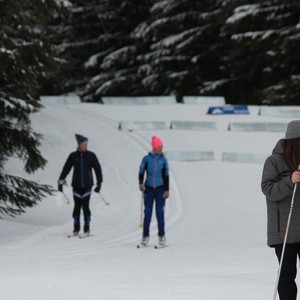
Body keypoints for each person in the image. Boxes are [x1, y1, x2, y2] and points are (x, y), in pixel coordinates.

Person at [261, 120, 300, 300]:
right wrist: (290, 181)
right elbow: (268, 190)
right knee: (286, 274)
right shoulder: (274, 161)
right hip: (284, 230)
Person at [58, 134, 103, 235]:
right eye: (84, 145)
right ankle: (76, 229)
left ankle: (87, 229)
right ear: (79, 145)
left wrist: (99, 183)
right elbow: (66, 168)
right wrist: (61, 181)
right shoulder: (73, 156)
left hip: (87, 186)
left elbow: (98, 169)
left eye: (86, 144)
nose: (86, 147)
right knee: (77, 207)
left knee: (86, 206)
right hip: (76, 185)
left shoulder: (91, 156)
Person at [139, 136, 169, 246]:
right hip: (149, 188)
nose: (161, 148)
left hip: (160, 188)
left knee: (160, 212)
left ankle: (161, 236)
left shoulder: (163, 160)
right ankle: (145, 236)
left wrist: (167, 189)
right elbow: (141, 172)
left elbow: (166, 175)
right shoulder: (146, 159)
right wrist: (141, 184)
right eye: (159, 146)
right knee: (147, 213)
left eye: (162, 146)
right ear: (154, 147)